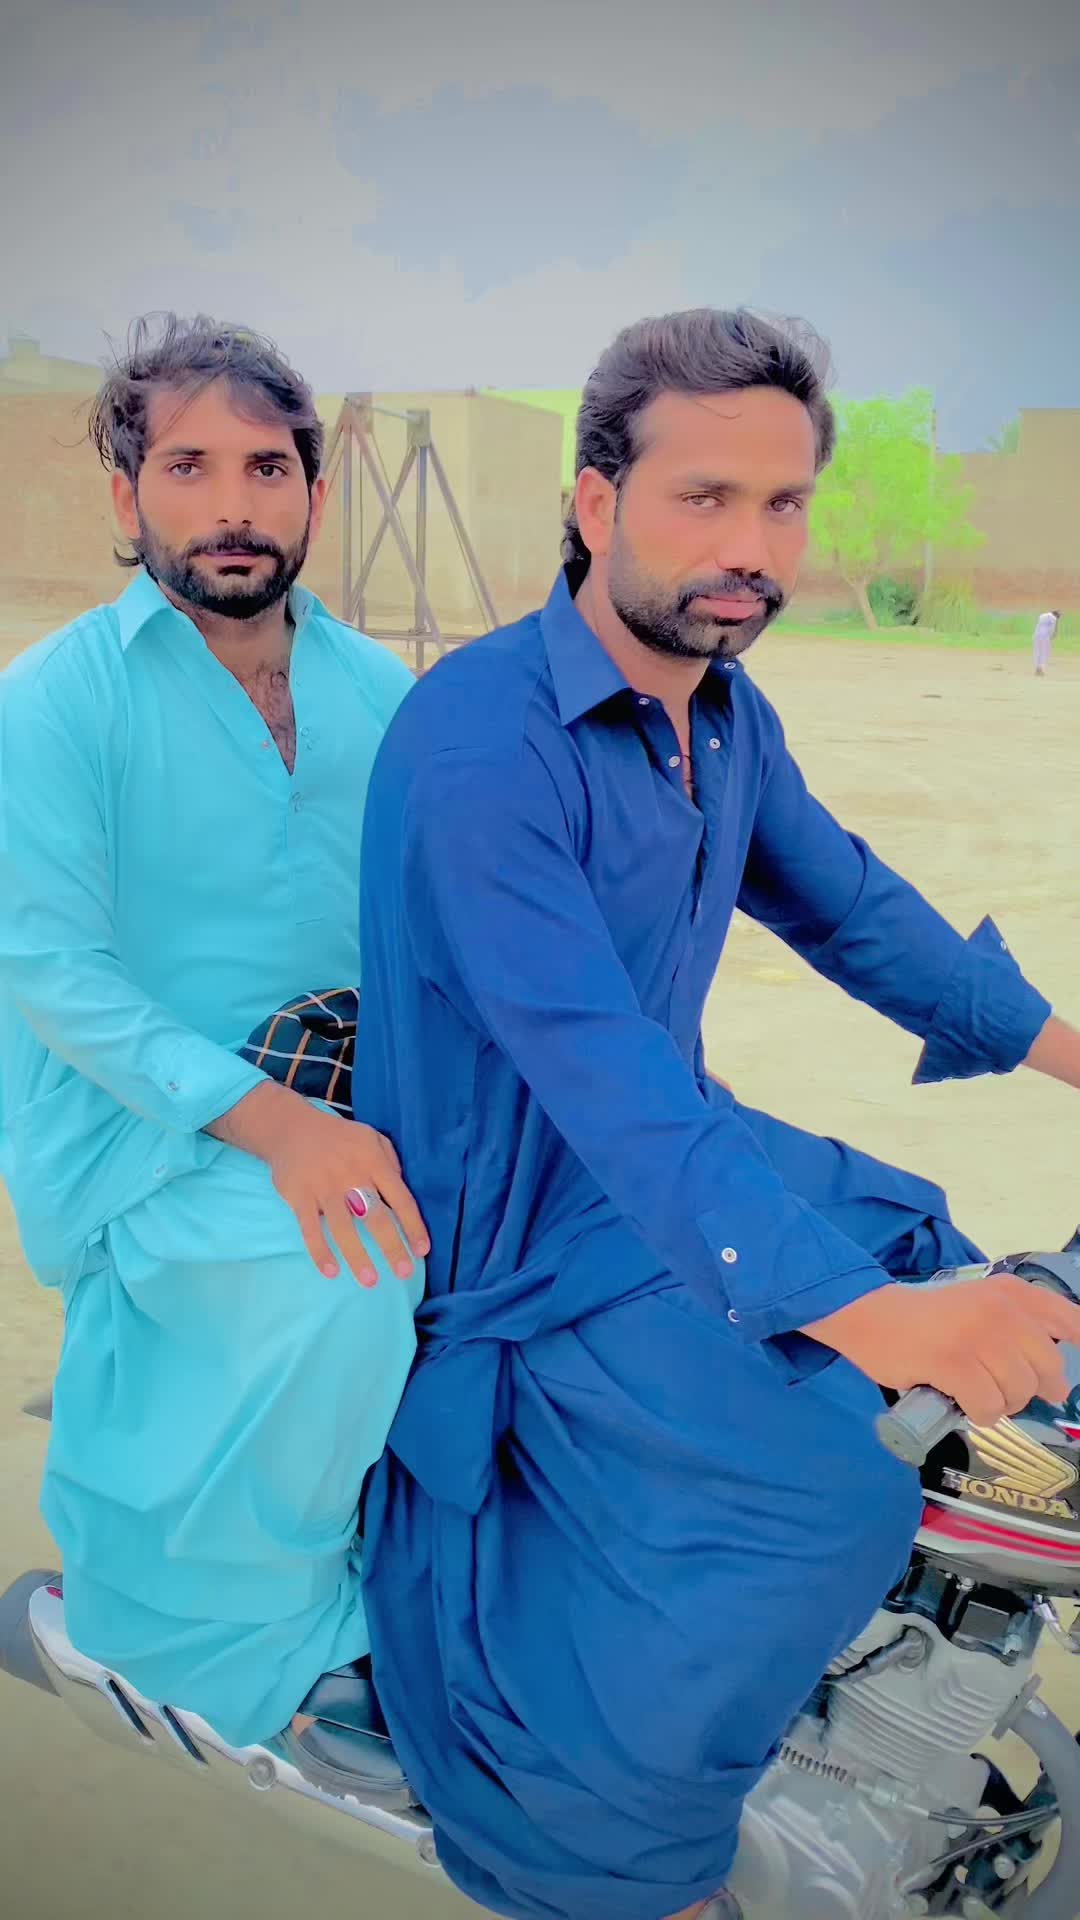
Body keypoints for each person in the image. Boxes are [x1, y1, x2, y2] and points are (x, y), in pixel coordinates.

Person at [352, 308, 1080, 1920]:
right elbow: (599, 1076)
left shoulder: (725, 716)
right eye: (705, 498)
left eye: (783, 503)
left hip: (677, 1162)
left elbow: (859, 915)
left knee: (941, 1243)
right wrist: (867, 1316)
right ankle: (620, 1847)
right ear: (595, 501)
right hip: (527, 1240)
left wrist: (1075, 1055)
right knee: (834, 1485)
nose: (750, 546)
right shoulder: (480, 743)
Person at [0, 313, 429, 1755]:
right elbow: (52, 970)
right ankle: (243, 1643)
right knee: (356, 1268)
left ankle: (463, 1586)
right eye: (189, 466)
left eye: (267, 467)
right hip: (144, 1127)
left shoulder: (383, 695)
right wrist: (285, 1129)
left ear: (314, 491)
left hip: (360, 1089)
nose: (234, 503)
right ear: (128, 496)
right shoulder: (55, 700)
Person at [1032, 607, 1060, 675]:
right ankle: (1040, 669)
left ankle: (1037, 668)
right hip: (1045, 637)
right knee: (1044, 652)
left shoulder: (1042, 615)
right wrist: (1052, 637)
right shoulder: (1054, 618)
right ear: (1056, 615)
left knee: (1037, 651)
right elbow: (1052, 629)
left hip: (1036, 635)